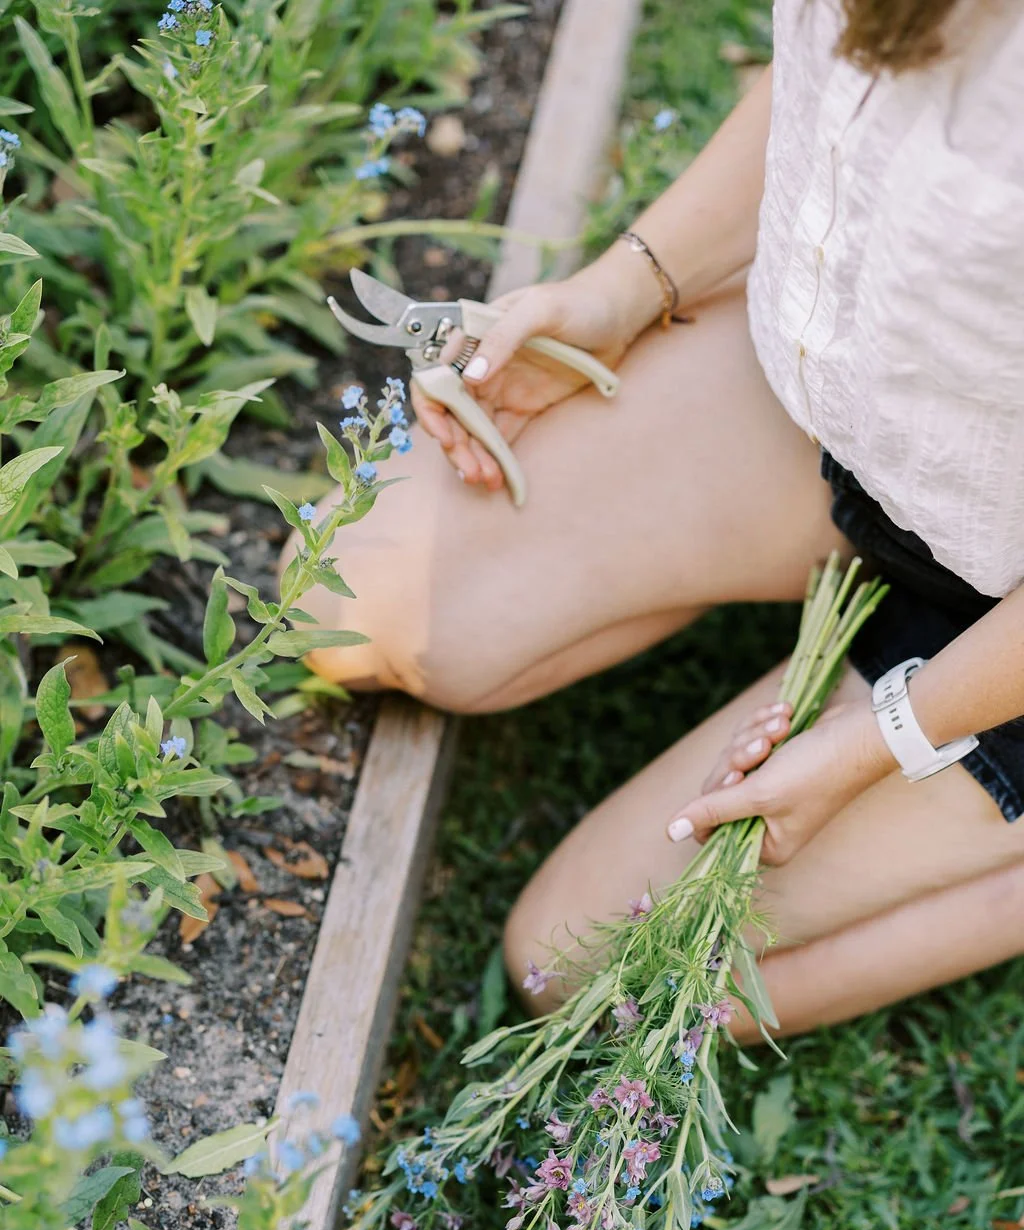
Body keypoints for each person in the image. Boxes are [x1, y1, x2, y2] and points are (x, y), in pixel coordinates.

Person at [285, 0, 1024, 1045]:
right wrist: (622, 289)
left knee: (577, 961)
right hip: (874, 419)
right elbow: (838, 82)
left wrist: (883, 740)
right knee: (347, 598)